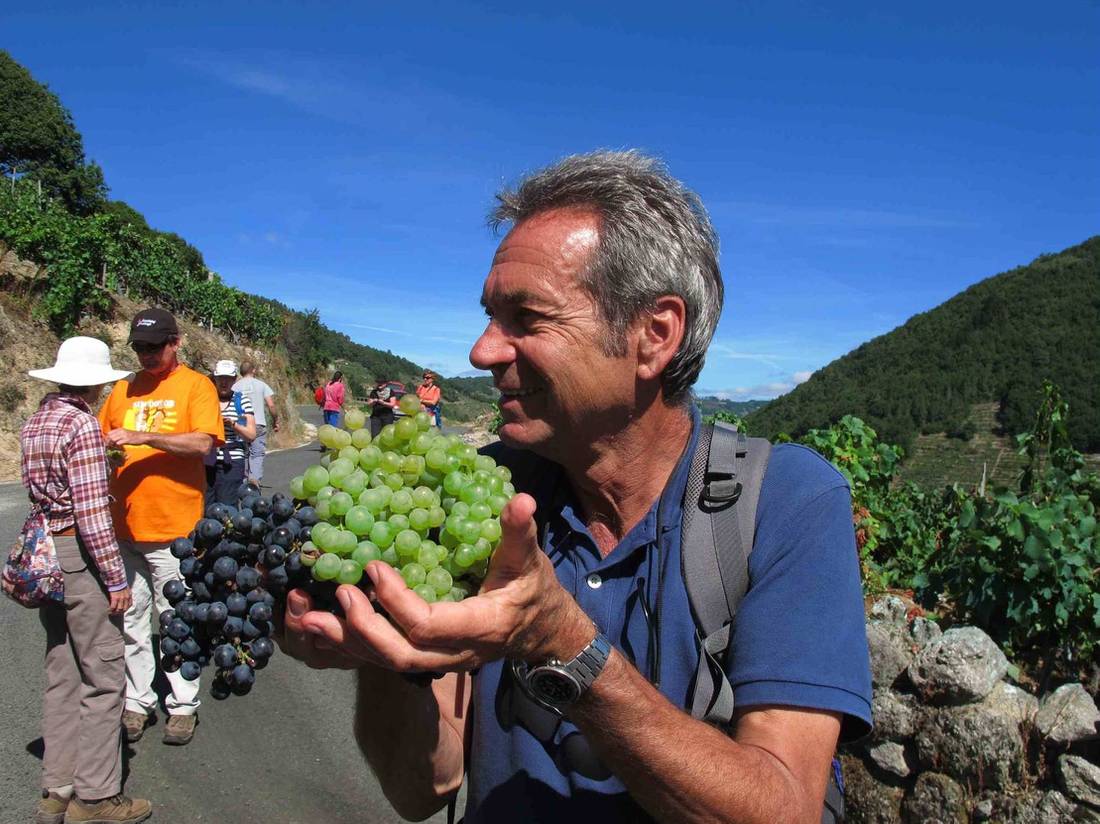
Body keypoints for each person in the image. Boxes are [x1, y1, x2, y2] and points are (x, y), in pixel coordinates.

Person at [282, 151, 872, 823]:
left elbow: (786, 809)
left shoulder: (786, 504)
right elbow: (423, 789)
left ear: (654, 336)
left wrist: (565, 644)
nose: (482, 350)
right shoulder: (487, 496)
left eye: (526, 318)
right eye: (488, 315)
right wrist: (382, 649)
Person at [22, 337, 152, 824]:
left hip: (48, 556)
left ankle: (57, 788)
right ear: (98, 382)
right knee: (103, 676)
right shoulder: (80, 424)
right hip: (80, 555)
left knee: (63, 670)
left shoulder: (37, 419)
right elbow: (93, 513)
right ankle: (96, 798)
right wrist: (116, 579)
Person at [98, 308, 223, 747]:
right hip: (123, 527)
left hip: (175, 530)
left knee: (174, 621)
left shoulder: (196, 386)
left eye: (155, 346)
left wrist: (141, 437)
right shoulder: (122, 389)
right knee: (131, 619)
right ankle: (138, 701)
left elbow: (203, 444)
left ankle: (183, 706)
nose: (147, 355)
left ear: (176, 342)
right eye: (139, 347)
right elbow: (101, 439)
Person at [206, 360, 257, 505]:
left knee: (228, 505)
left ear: (234, 379)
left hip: (232, 463)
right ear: (214, 378)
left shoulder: (241, 402)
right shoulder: (205, 399)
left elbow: (251, 435)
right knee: (205, 506)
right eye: (221, 378)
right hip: (207, 460)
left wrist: (233, 424)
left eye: (228, 378)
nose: (224, 382)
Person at [233, 361, 277, 485]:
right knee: (257, 454)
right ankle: (254, 480)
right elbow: (271, 405)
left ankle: (244, 481)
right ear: (253, 370)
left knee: (244, 453)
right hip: (258, 423)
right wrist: (275, 420)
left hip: (242, 424)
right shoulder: (261, 385)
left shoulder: (235, 387)